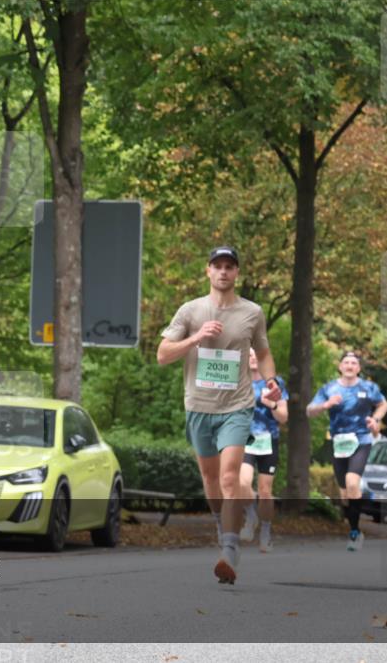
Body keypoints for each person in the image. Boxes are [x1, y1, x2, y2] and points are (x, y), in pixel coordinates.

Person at [158, 246, 281, 585]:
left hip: (237, 407)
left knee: (230, 479)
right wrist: (196, 337)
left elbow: (264, 352)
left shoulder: (252, 312)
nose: (224, 272)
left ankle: (229, 551)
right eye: (218, 266)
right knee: (211, 482)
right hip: (199, 407)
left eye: (230, 266)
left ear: (237, 272)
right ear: (208, 271)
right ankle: (221, 521)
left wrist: (271, 381)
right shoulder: (190, 310)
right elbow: (163, 355)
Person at [307, 351, 387, 552]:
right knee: (345, 493)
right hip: (340, 443)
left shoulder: (368, 387)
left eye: (354, 363)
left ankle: (354, 532)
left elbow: (383, 404)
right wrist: (326, 405)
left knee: (353, 483)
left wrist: (375, 419)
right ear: (340, 366)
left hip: (361, 439)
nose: (350, 365)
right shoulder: (329, 388)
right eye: (346, 362)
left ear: (359, 368)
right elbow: (310, 411)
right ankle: (352, 519)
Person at [239, 348, 289, 553]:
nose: (252, 358)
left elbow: (284, 417)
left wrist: (272, 405)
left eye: (255, 355)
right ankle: (251, 516)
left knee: (265, 492)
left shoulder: (274, 383)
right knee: (242, 483)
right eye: (248, 355)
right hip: (244, 438)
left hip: (268, 440)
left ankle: (266, 531)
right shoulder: (238, 382)